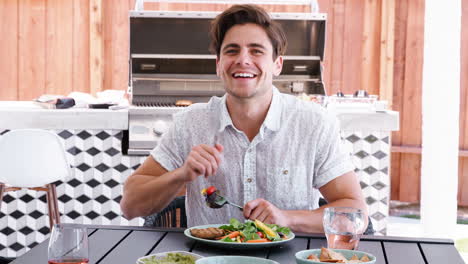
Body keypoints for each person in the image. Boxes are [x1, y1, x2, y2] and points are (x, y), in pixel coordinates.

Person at [120, 4, 368, 233]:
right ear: (219, 65)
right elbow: (130, 206)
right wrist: (181, 175)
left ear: (277, 65)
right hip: (209, 259)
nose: (243, 59)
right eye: (232, 50)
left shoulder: (314, 124)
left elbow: (355, 214)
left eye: (256, 50)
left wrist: (287, 219)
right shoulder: (190, 124)